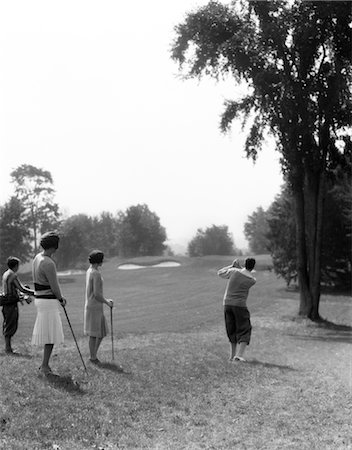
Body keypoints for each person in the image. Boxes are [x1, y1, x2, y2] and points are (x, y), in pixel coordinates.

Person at [31, 231, 67, 376]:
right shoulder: (49, 263)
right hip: (48, 301)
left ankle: (45, 365)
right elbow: (54, 286)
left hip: (40, 299)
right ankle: (45, 365)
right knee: (51, 335)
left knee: (48, 334)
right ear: (55, 246)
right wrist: (61, 299)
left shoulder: (37, 257)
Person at [217, 257, 256, 362]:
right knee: (245, 328)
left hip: (227, 304)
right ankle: (239, 355)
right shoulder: (252, 280)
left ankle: (232, 356)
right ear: (253, 267)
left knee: (231, 329)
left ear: (244, 264)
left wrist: (232, 266)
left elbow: (220, 273)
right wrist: (239, 268)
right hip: (240, 305)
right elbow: (246, 273)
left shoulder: (234, 272)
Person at [84, 250, 113, 364]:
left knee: (101, 332)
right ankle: (93, 357)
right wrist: (107, 302)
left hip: (94, 306)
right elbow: (96, 294)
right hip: (94, 306)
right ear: (99, 261)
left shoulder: (90, 270)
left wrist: (105, 300)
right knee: (94, 333)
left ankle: (93, 356)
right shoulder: (95, 273)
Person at [1, 257, 34, 354]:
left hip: (6, 303)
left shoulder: (6, 273)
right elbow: (22, 289)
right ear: (16, 266)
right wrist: (35, 293)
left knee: (7, 323)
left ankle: (8, 348)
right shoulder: (12, 275)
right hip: (11, 304)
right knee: (11, 324)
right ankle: (8, 349)